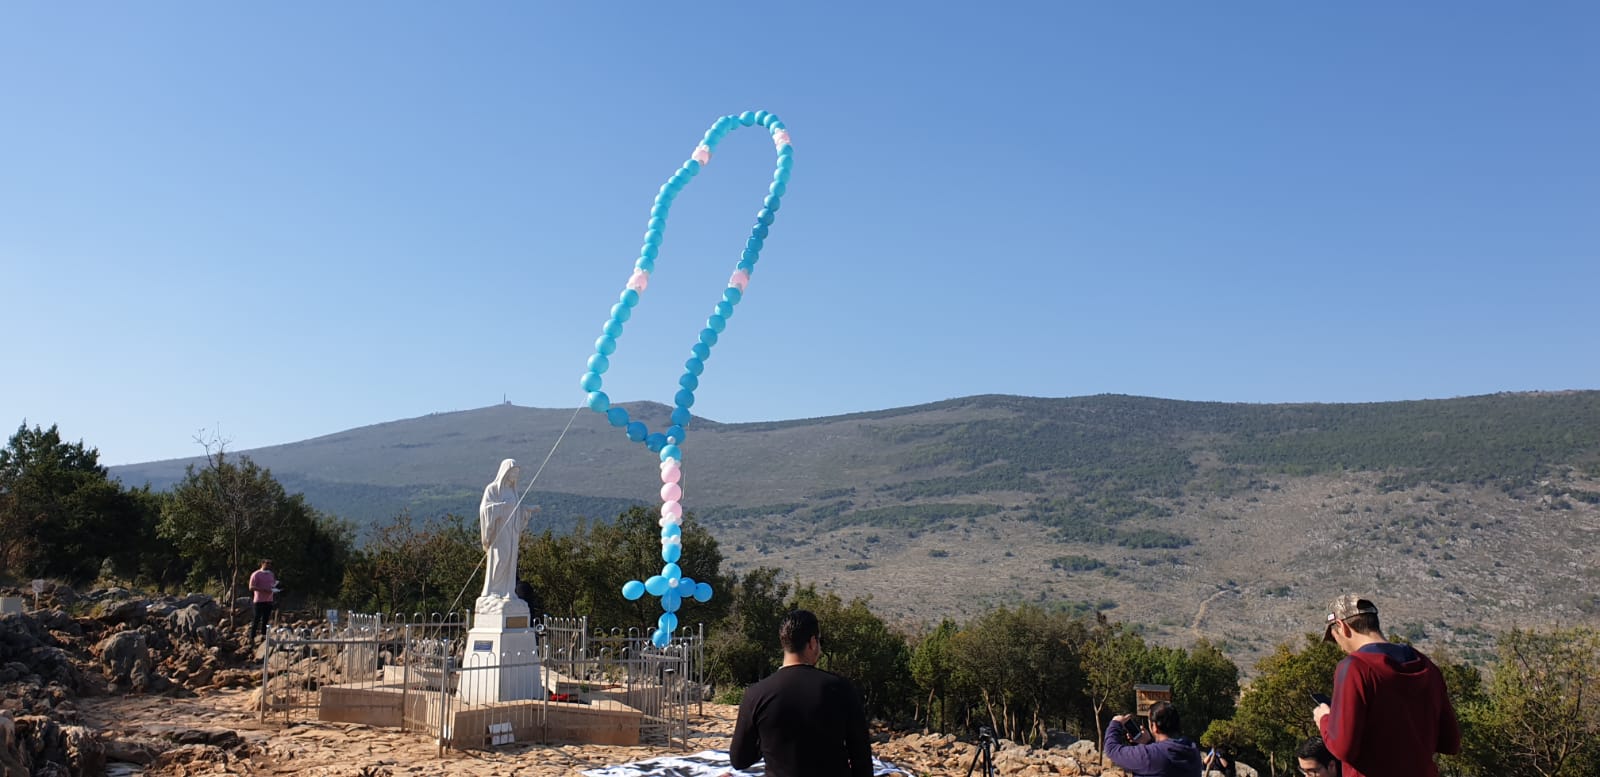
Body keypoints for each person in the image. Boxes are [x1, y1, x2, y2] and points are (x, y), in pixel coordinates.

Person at [1313, 595, 1460, 777]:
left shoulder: (1354, 667)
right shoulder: (1426, 665)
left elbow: (1343, 748)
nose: (1340, 647)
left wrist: (1325, 719)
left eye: (1335, 638)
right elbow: (1450, 742)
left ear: (1342, 627)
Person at [729, 609, 873, 777]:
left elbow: (739, 760)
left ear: (784, 643)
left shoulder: (755, 694)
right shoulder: (841, 688)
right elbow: (861, 756)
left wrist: (767, 743)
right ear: (812, 642)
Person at [478, 458, 534, 601]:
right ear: (506, 472)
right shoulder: (493, 489)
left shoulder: (512, 491)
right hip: (499, 532)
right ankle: (494, 590)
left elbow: (515, 510)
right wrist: (502, 507)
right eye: (513, 473)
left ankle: (507, 591)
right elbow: (485, 510)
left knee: (509, 559)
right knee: (500, 559)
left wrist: (526, 511)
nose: (515, 476)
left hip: (511, 533)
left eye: (517, 473)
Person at [1103, 701, 1203, 777]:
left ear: (1154, 726)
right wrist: (1148, 742)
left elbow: (1112, 749)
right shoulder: (1192, 751)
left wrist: (1115, 724)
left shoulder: (1149, 756)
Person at [247, 559, 276, 641]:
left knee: (266, 619)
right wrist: (263, 589)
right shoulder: (256, 574)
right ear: (262, 564)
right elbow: (251, 587)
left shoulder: (271, 574)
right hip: (259, 600)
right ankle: (252, 636)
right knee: (256, 618)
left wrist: (274, 589)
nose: (269, 565)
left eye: (270, 564)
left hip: (269, 600)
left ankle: (264, 635)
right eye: (267, 563)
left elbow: (273, 584)